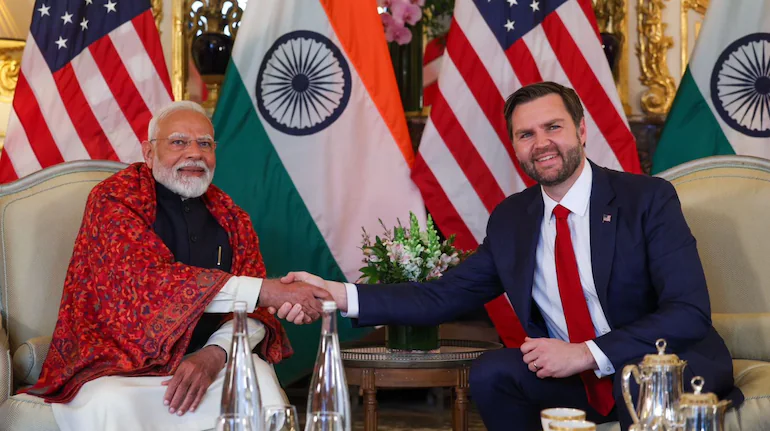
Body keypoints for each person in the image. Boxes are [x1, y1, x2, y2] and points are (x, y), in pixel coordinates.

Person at [281, 82, 743, 430]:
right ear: (516, 147)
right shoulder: (512, 219)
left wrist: (586, 353)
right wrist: (338, 294)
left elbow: (687, 312)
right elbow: (442, 296)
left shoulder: (646, 199)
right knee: (493, 373)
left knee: (640, 382)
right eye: (526, 134)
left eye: (553, 127)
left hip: (659, 364)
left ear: (581, 130)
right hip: (576, 377)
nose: (541, 143)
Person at [24, 101, 330, 431]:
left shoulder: (232, 217)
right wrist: (267, 291)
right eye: (179, 142)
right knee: (111, 401)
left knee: (258, 379)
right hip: (115, 369)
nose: (194, 153)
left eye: (205, 144)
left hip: (203, 363)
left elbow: (256, 311)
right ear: (149, 152)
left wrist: (215, 354)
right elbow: (148, 283)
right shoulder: (114, 200)